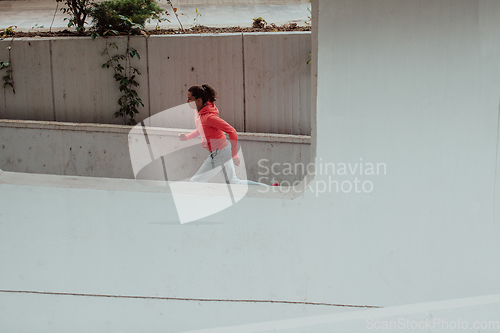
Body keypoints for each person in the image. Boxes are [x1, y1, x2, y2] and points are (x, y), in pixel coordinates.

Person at [178, 84, 272, 186]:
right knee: (234, 182)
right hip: (222, 150)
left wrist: (234, 154)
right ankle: (270, 188)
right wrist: (187, 137)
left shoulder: (209, 117)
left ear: (199, 100)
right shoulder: (199, 113)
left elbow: (232, 131)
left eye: (189, 99)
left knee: (195, 182)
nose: (187, 102)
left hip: (220, 153)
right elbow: (201, 129)